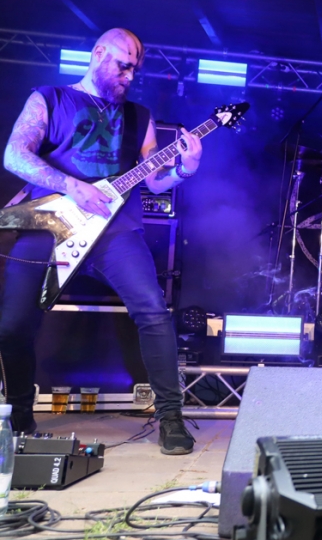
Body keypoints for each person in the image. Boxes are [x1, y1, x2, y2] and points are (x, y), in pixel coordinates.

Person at [0, 28, 201, 454]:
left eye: (135, 69)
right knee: (14, 323)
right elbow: (15, 155)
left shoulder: (139, 117)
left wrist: (186, 167)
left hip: (116, 231)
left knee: (153, 311)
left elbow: (155, 181)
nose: (130, 75)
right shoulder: (49, 98)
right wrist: (71, 186)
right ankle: (19, 418)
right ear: (98, 54)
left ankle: (171, 418)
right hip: (48, 225)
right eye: (123, 65)